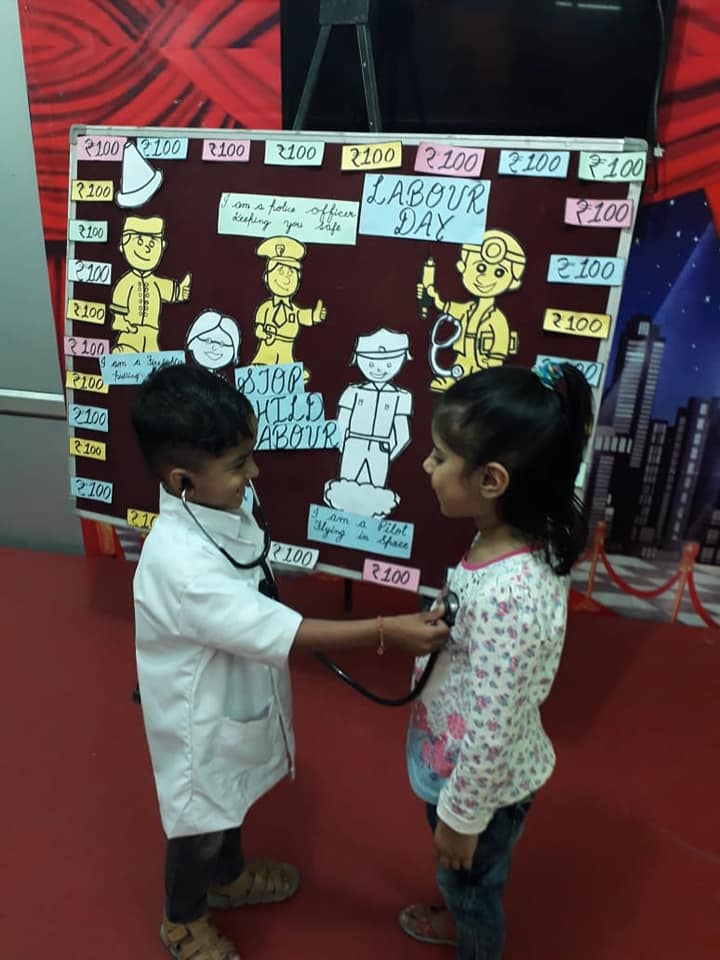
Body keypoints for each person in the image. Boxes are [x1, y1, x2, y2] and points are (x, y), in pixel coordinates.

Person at [130, 363, 448, 960]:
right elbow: (281, 631)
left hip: (234, 693)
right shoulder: (181, 565)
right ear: (183, 482)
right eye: (238, 464)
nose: (253, 473)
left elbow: (254, 596)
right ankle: (183, 919)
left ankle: (228, 880)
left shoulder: (216, 508)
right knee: (200, 822)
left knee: (228, 802)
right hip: (199, 718)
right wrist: (386, 631)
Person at [399, 359, 593, 960]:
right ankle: (456, 906)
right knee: (460, 879)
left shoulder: (513, 595)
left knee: (472, 887)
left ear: (491, 480)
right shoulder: (504, 536)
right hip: (454, 759)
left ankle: (473, 939)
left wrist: (462, 817)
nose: (426, 466)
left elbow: (494, 724)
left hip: (478, 786)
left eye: (439, 457)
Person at [417, 231, 526, 392]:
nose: (484, 278)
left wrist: (493, 369)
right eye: (480, 268)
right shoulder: (466, 309)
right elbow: (445, 306)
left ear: (513, 282)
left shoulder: (497, 320)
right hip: (461, 364)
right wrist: (431, 295)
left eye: (499, 272)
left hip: (483, 369)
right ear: (463, 267)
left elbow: (498, 352)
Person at [249, 236, 326, 382]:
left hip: (286, 350)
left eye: (291, 273)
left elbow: (304, 316)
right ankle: (260, 367)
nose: (286, 279)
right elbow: (258, 328)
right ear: (267, 277)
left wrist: (315, 316)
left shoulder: (294, 310)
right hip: (267, 348)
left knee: (288, 366)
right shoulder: (265, 307)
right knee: (261, 365)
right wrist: (263, 333)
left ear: (298, 279)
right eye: (280, 272)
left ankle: (290, 373)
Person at [110, 216, 191, 354]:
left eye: (152, 244)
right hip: (131, 332)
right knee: (127, 352)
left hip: (152, 334)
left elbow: (172, 292)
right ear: (123, 246)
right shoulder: (125, 282)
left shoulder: (156, 282)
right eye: (139, 241)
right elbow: (119, 306)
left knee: (153, 357)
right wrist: (120, 321)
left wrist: (181, 290)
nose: (146, 249)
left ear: (162, 247)